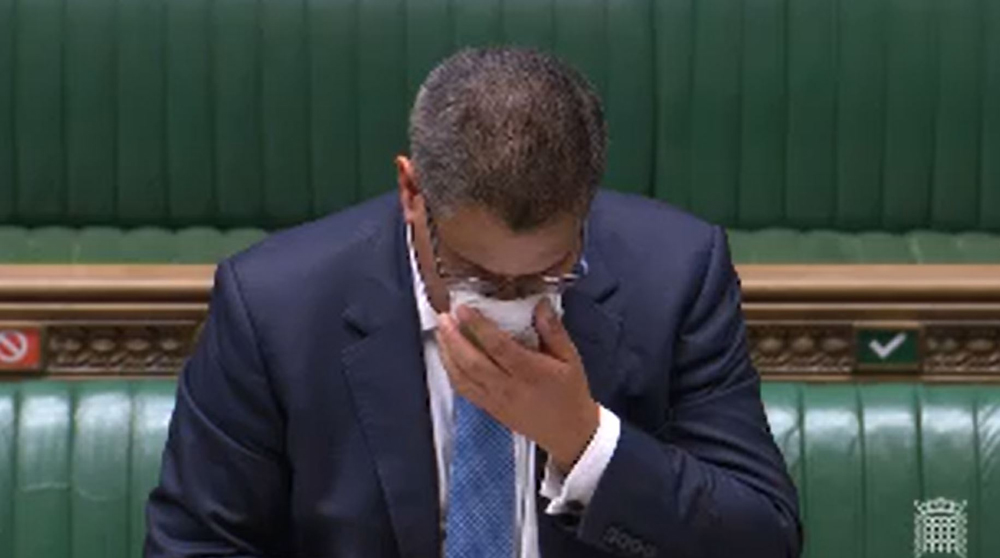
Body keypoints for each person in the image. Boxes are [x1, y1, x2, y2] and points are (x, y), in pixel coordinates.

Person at [145, 47, 801, 558]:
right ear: (412, 192)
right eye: (471, 273)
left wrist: (584, 441)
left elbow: (764, 539)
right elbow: (195, 544)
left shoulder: (676, 273)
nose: (506, 305)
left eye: (548, 273)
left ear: (586, 209)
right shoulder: (275, 306)